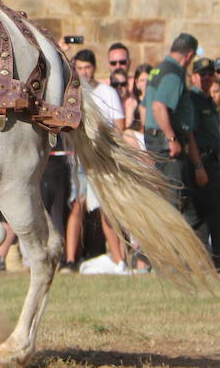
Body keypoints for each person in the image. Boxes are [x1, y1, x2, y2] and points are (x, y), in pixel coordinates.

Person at [64, 50, 129, 272]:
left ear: (94, 68)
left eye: (87, 68)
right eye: (79, 68)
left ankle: (119, 259)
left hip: (103, 160)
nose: (83, 72)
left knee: (106, 209)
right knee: (77, 206)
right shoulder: (74, 92)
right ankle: (70, 260)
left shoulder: (108, 93)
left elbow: (119, 127)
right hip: (82, 158)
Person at [142, 33, 203, 222]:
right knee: (175, 206)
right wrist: (171, 138)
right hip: (167, 146)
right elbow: (158, 107)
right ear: (189, 55)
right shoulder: (174, 73)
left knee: (165, 201)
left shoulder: (158, 69)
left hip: (155, 141)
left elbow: (143, 107)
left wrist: (149, 140)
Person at [187, 58, 220, 268]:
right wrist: (198, 166)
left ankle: (219, 262)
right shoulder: (192, 100)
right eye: (201, 74)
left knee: (218, 214)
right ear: (193, 76)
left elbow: (216, 137)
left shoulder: (208, 101)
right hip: (201, 161)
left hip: (213, 160)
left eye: (209, 74)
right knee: (203, 216)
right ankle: (204, 263)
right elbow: (191, 135)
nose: (205, 78)